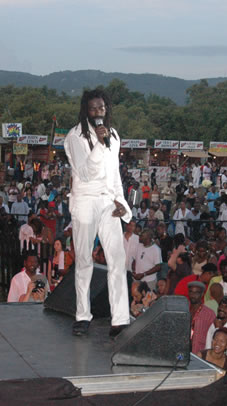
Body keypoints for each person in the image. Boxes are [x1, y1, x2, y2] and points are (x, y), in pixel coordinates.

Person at [64, 88, 132, 338]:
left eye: (101, 108)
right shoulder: (75, 136)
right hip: (84, 200)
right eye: (93, 108)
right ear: (85, 110)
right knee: (84, 260)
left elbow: (114, 173)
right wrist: (99, 146)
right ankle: (82, 316)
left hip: (107, 201)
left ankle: (120, 318)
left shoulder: (113, 135)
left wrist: (121, 201)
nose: (97, 112)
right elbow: (85, 173)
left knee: (117, 258)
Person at [188, 280, 216, 354]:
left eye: (196, 293)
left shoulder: (209, 314)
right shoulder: (183, 309)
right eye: (191, 292)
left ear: (202, 294)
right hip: (182, 351)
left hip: (199, 352)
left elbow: (213, 336)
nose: (193, 295)